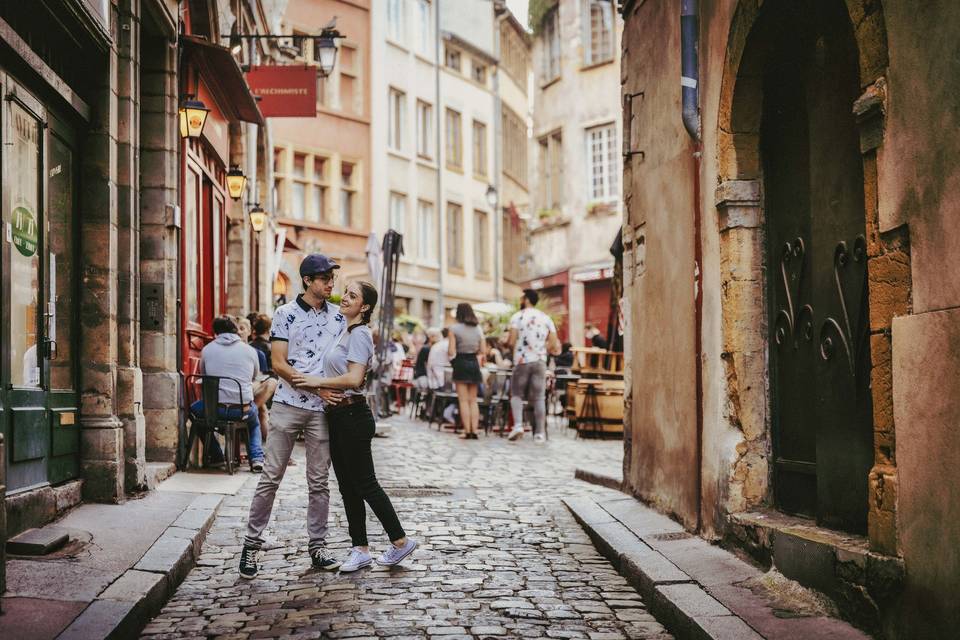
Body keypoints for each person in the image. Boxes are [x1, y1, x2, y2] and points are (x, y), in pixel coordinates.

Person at [292, 281, 418, 573]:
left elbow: (353, 378)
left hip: (353, 415)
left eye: (352, 295)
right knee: (348, 487)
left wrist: (316, 382)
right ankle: (359, 549)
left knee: (366, 483)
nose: (344, 298)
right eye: (345, 292)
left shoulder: (360, 334)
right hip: (336, 416)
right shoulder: (343, 330)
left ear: (365, 307)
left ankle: (400, 541)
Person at [239, 253, 347, 579]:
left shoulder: (339, 318)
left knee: (319, 483)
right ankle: (250, 545)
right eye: (324, 278)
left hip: (322, 412)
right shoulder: (284, 314)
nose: (330, 283)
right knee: (271, 477)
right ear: (308, 281)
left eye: (332, 277)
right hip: (287, 405)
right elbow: (279, 364)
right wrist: (317, 389)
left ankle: (318, 547)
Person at [192, 316, 265, 471]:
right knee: (254, 421)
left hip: (214, 410)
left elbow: (204, 375)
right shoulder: (250, 351)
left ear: (216, 332)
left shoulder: (207, 349)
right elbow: (253, 377)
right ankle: (257, 458)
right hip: (241, 410)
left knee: (194, 412)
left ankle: (217, 455)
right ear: (235, 330)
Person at [505, 289, 560, 442]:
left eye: (522, 298)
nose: (520, 300)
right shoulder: (545, 317)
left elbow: (511, 340)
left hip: (522, 360)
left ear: (527, 299)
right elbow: (554, 342)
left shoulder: (518, 316)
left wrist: (509, 346)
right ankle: (540, 434)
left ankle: (517, 426)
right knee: (539, 398)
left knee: (516, 394)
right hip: (540, 361)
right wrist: (542, 351)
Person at [448, 303, 484, 440]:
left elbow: (451, 351)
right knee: (473, 400)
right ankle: (474, 431)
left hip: (461, 363)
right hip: (474, 363)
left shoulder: (454, 328)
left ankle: (466, 430)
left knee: (463, 400)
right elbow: (483, 350)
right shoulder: (478, 329)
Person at [246, 314, 281, 448]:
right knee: (262, 410)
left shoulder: (250, 346)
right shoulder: (271, 348)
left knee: (262, 410)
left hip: (252, 388)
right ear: (269, 329)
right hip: (266, 389)